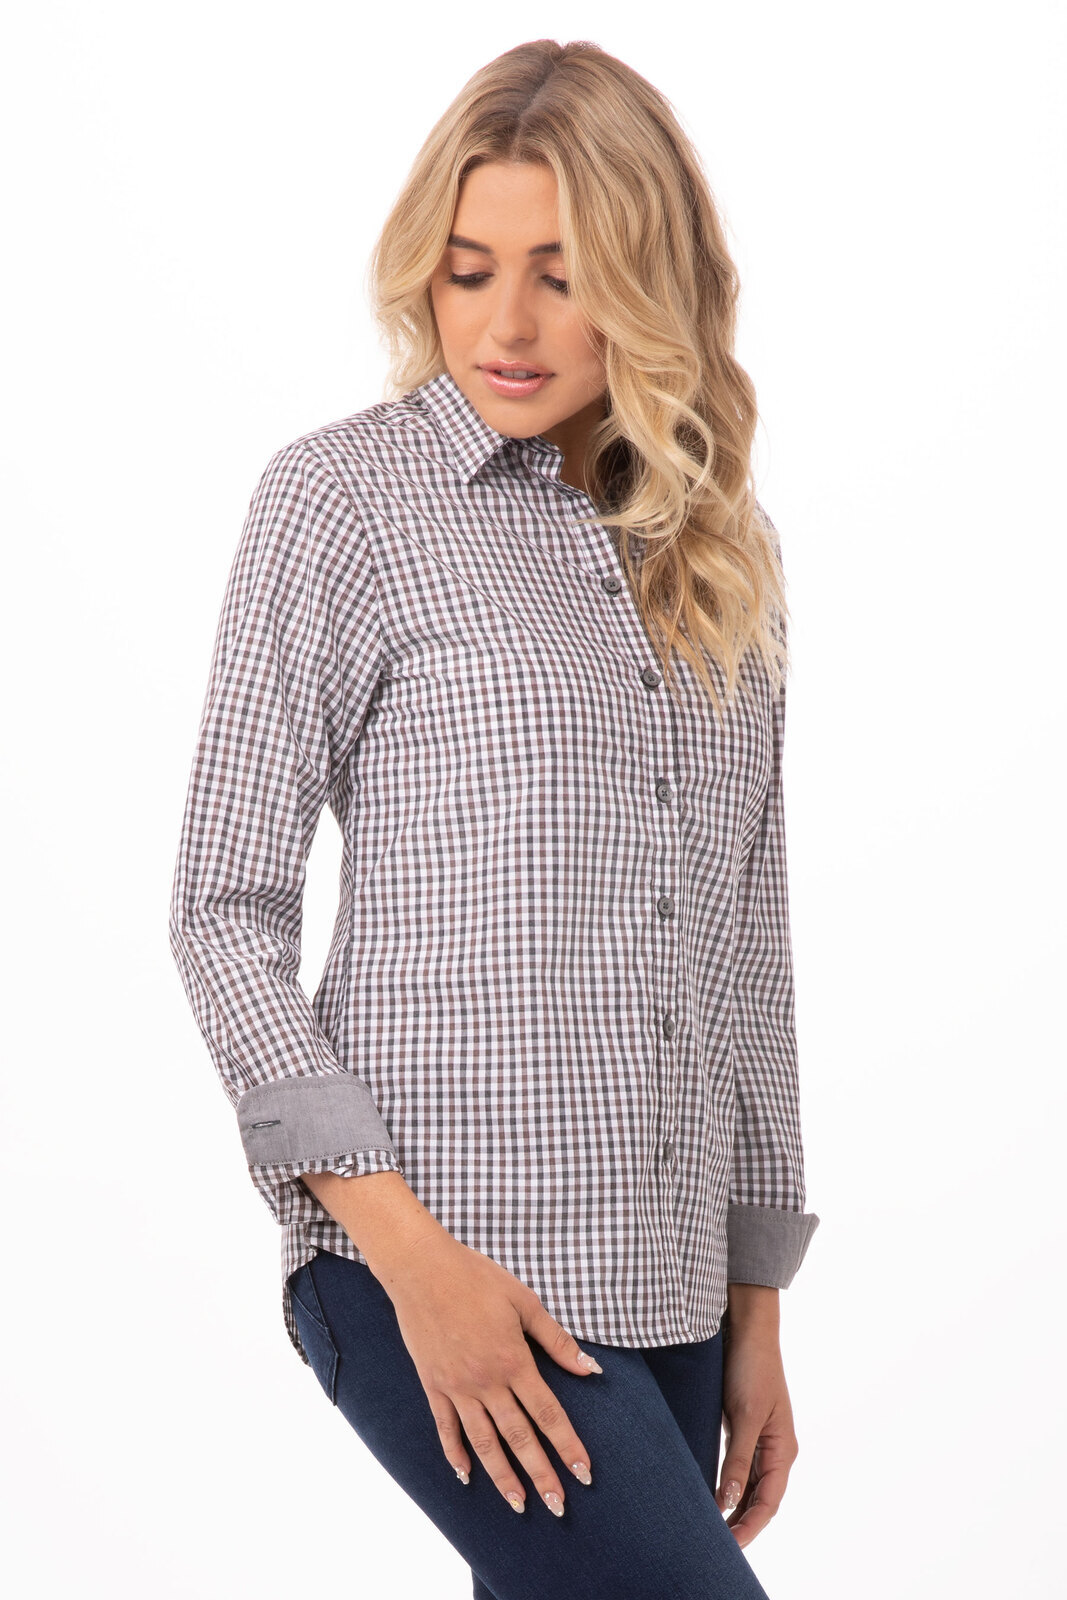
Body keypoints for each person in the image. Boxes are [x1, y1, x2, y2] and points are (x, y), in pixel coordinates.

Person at [168, 37, 821, 1600]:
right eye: (468, 272)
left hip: (668, 1282)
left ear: (652, 285)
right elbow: (222, 910)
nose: (505, 326)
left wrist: (758, 1305)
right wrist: (416, 1270)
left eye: (562, 275)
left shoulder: (717, 545)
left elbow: (743, 944)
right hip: (432, 1260)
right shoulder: (344, 501)